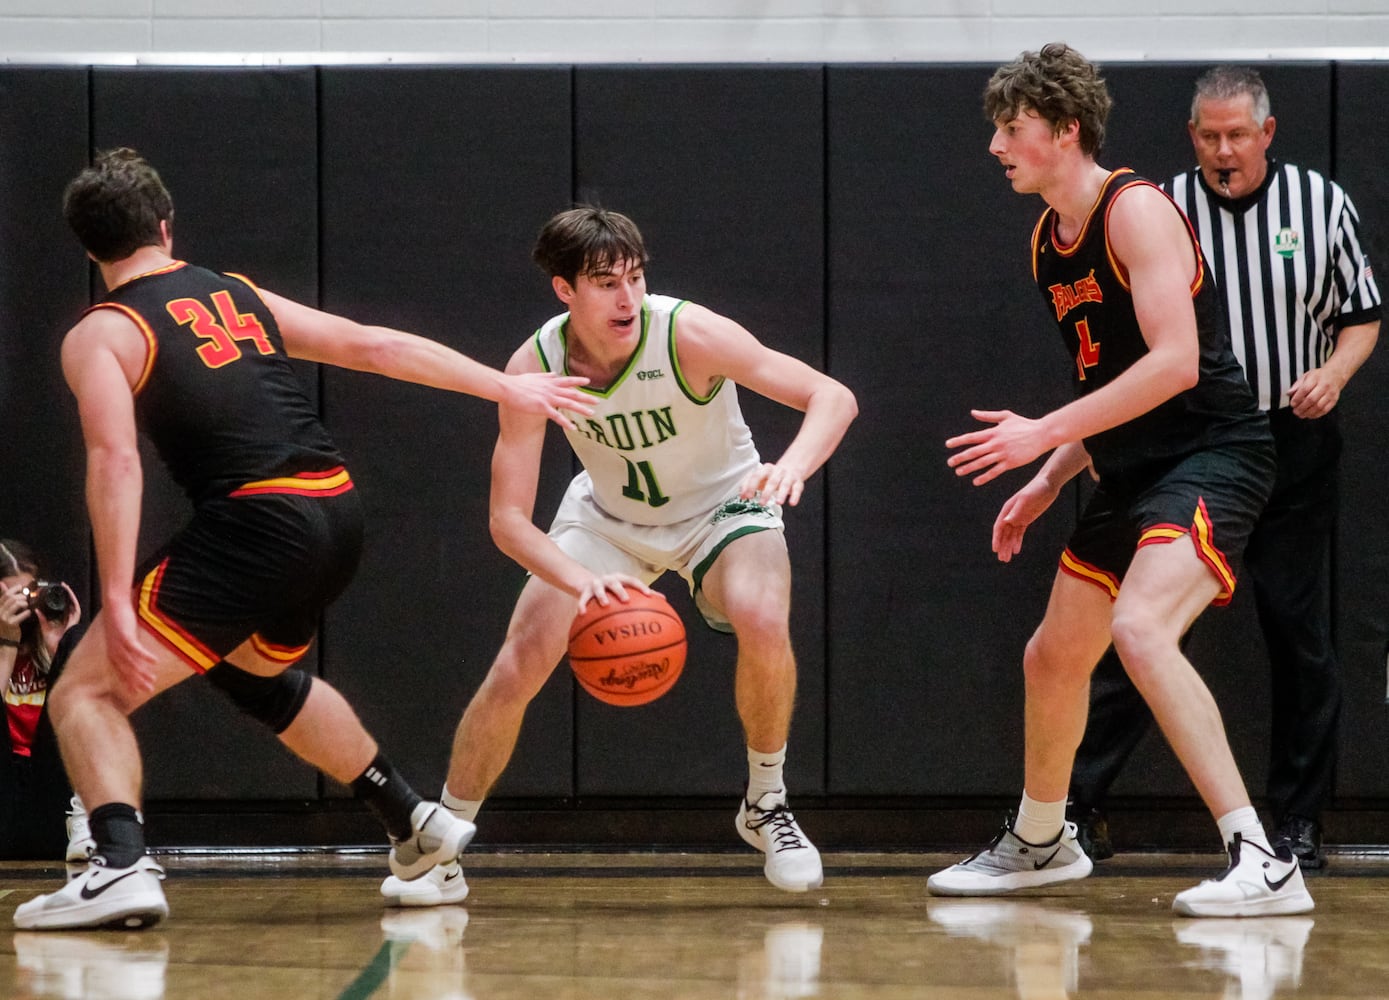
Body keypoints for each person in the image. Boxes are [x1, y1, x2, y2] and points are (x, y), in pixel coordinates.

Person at [13, 148, 594, 931]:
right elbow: (371, 344)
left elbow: (117, 460)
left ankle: (119, 865)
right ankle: (413, 822)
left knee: (85, 691)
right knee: (252, 674)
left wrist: (115, 597)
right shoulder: (232, 293)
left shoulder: (103, 332)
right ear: (165, 226)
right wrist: (504, 383)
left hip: (257, 519)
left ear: (88, 247)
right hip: (333, 514)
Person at [928, 43, 1313, 918]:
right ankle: (1039, 840)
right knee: (1052, 655)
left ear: (1065, 131)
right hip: (1132, 465)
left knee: (1140, 629)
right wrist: (1052, 474)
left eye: (1012, 129)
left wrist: (1044, 435)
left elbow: (1176, 365)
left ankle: (1262, 860)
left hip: (1213, 450)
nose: (996, 146)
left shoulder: (1135, 211)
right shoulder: (1047, 243)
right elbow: (1105, 384)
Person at [379, 206, 858, 906]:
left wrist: (794, 464)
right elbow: (508, 521)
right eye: (605, 282)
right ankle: (442, 843)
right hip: (609, 517)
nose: (626, 297)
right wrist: (584, 583)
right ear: (564, 291)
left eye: (634, 278)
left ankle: (765, 802)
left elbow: (832, 396)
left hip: (724, 503)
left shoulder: (687, 333)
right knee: (522, 655)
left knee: (761, 614)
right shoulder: (532, 366)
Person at [1066, 65, 1381, 871]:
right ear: (1190, 137)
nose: (1221, 150)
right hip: (1185, 440)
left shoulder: (1320, 205)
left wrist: (1335, 375)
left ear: (1266, 134)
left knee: (1295, 628)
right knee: (1135, 626)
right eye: (1207, 135)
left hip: (1292, 434)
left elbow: (1362, 317)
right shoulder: (1155, 208)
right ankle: (1075, 810)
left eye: (1236, 134)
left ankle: (1296, 825)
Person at [0, 539, 92, 862]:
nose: (22, 610)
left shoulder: (45, 642)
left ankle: (90, 820)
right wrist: (5, 645)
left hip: (49, 797)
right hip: (4, 794)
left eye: (28, 595)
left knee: (79, 641)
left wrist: (59, 647)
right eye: (11, 598)